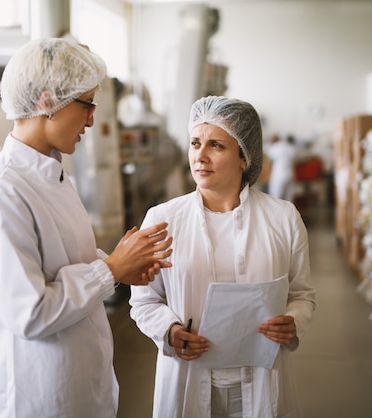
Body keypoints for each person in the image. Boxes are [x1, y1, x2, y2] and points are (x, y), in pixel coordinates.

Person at [0, 38, 173, 418]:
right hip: (32, 396)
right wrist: (110, 270)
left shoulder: (52, 175)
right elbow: (30, 312)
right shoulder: (2, 189)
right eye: (87, 103)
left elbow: (62, 262)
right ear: (47, 101)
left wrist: (120, 266)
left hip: (72, 387)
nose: (92, 119)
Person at [129, 96, 316, 418]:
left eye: (216, 145)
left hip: (262, 373)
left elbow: (301, 294)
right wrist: (170, 331)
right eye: (195, 143)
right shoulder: (162, 219)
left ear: (245, 156)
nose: (199, 156)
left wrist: (294, 321)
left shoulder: (283, 218)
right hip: (188, 374)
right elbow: (144, 301)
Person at [267, 133, 298, 201]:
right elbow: (294, 161)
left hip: (279, 175)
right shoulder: (290, 147)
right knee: (289, 199)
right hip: (290, 174)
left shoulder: (274, 148)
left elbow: (270, 160)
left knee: (276, 198)